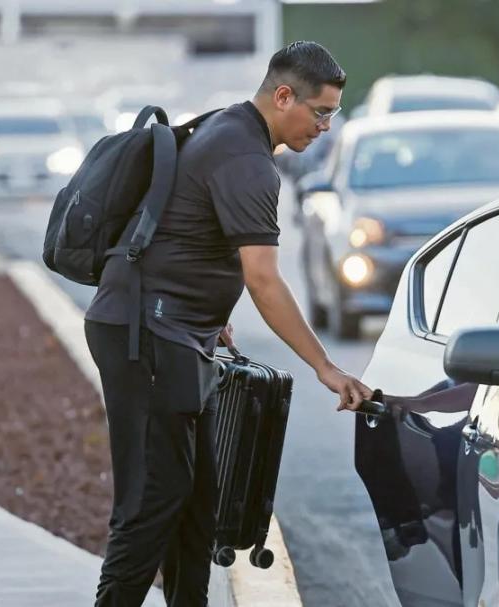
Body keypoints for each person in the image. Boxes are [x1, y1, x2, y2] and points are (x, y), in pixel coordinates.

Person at [82, 41, 374, 606]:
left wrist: (209, 318)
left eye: (333, 115)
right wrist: (326, 367)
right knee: (152, 500)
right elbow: (264, 281)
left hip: (170, 332)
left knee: (197, 501)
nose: (325, 127)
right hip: (146, 338)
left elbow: (181, 233)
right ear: (283, 95)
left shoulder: (227, 128)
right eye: (320, 112)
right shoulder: (247, 161)